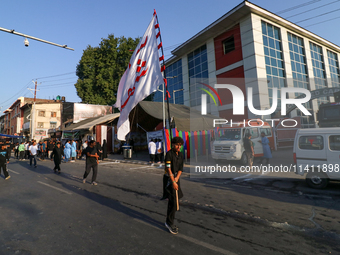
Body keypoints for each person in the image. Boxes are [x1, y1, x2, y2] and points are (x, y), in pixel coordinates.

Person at [163, 137, 184, 235]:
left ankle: (168, 220)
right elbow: (168, 169)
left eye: (180, 145)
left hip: (176, 179)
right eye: (177, 145)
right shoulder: (169, 154)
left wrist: (177, 179)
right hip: (169, 180)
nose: (179, 146)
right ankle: (169, 223)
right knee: (173, 202)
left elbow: (180, 168)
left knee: (175, 200)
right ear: (173, 145)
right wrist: (173, 181)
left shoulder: (180, 155)